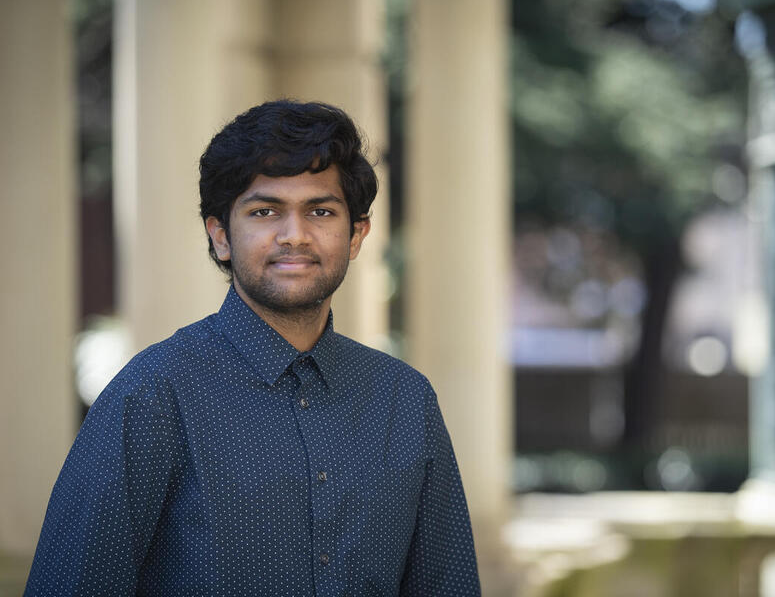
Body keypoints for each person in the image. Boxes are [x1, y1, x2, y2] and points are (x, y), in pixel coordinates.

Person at [24, 100, 480, 596]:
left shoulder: (404, 400)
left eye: (320, 211)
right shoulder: (152, 395)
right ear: (220, 236)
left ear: (356, 236)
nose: (295, 236)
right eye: (265, 211)